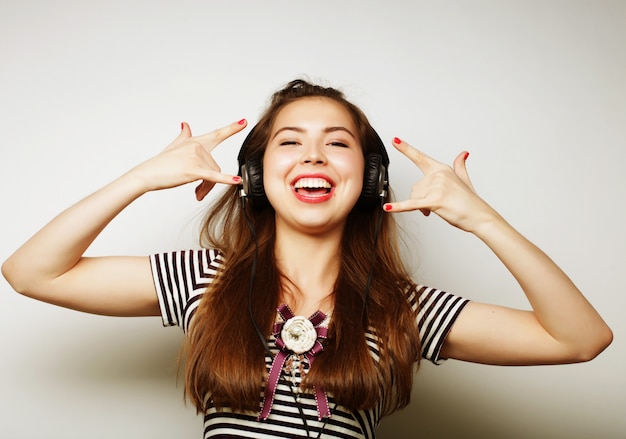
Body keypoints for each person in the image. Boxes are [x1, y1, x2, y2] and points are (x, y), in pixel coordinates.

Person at [2, 79, 612, 439]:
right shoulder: (205, 281)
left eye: (337, 144)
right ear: (254, 176)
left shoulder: (401, 309)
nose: (313, 156)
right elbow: (31, 271)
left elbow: (581, 339)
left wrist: (483, 219)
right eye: (289, 143)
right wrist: (140, 178)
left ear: (371, 179)